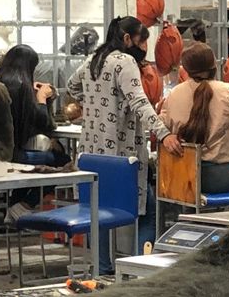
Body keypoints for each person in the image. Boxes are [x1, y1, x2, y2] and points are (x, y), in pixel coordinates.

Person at [67, 17, 182, 269]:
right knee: (148, 212)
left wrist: (95, 103)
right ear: (128, 39)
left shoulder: (93, 60)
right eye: (143, 41)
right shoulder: (125, 62)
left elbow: (71, 86)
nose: (145, 48)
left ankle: (102, 268)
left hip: (92, 152)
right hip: (121, 153)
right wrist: (164, 134)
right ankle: (140, 267)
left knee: (97, 210)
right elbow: (140, 102)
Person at [157, 43, 229, 198]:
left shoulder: (174, 94)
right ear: (214, 66)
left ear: (186, 69)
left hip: (184, 177)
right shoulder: (228, 91)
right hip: (221, 176)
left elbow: (163, 126)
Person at [0, 44, 64, 166]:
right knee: (62, 158)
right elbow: (44, 124)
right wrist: (42, 97)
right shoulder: (20, 87)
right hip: (12, 155)